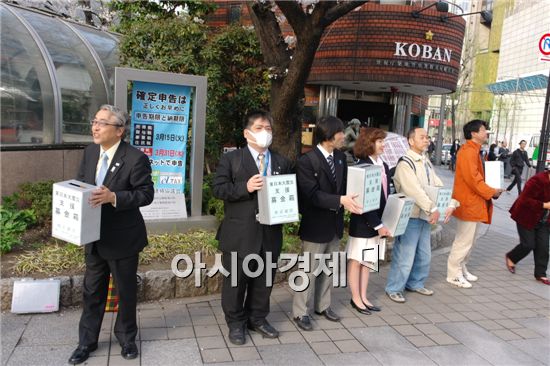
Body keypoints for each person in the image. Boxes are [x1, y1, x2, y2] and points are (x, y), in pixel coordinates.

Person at [69, 105, 154, 365]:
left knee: (125, 292)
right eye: (94, 121)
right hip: (93, 236)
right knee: (92, 290)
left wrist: (114, 196)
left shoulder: (135, 158)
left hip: (123, 238)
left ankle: (127, 338)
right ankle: (86, 342)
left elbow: (145, 194)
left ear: (119, 130)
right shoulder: (90, 151)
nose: (95, 127)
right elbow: (81, 182)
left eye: (102, 123)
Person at [212, 110, 292, 345]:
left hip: (270, 233)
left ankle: (257, 318)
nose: (265, 133)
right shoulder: (232, 159)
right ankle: (236, 323)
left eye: (268, 129)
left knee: (264, 281)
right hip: (239, 233)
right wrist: (244, 187)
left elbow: (287, 193)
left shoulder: (281, 161)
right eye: (259, 128)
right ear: (247, 133)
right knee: (236, 283)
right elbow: (218, 189)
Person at [292, 116, 362, 331]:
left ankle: (323, 306)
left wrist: (348, 198)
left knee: (328, 269)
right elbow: (311, 195)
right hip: (315, 225)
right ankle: (300, 312)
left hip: (334, 223)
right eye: (341, 132)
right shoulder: (306, 161)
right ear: (329, 135)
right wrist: (340, 200)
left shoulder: (340, 158)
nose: (344, 135)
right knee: (308, 271)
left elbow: (342, 187)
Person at [385, 127, 459, 303]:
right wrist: (432, 208)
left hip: (425, 216)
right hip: (411, 216)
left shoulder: (425, 162)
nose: (426, 140)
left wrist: (450, 203)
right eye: (422, 137)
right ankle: (394, 288)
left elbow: (438, 185)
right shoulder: (406, 163)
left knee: (424, 254)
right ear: (411, 141)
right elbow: (414, 190)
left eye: (427, 137)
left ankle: (415, 283)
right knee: (405, 254)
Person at [447, 120, 504, 288]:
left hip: (474, 203)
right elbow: (473, 179)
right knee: (463, 241)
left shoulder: (474, 151)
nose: (486, 133)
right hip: (468, 203)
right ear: (473, 133)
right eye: (484, 130)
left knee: (469, 241)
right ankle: (453, 274)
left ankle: (461, 268)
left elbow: (476, 178)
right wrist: (492, 191)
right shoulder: (467, 152)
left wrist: (491, 190)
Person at [347, 127, 391, 314]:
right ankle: (355, 298)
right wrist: (378, 225)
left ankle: (364, 296)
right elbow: (362, 201)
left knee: (368, 261)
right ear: (368, 143)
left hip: (380, 222)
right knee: (357, 260)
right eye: (379, 141)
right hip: (364, 223)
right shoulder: (360, 167)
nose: (383, 145)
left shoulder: (385, 166)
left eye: (383, 141)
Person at [505, 169, 550, 285]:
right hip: (526, 216)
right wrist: (544, 205)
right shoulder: (538, 180)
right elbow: (524, 199)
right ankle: (511, 257)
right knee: (528, 244)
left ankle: (541, 274)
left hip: (544, 221)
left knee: (543, 247)